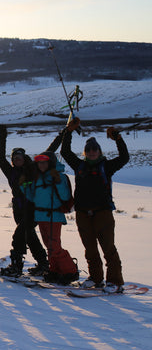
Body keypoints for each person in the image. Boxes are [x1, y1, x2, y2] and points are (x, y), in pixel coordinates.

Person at [61, 118, 129, 293]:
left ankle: (115, 281)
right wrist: (68, 132)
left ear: (99, 151)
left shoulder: (106, 166)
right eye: (89, 150)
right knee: (90, 249)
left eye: (95, 149)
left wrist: (118, 139)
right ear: (85, 152)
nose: (92, 152)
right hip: (83, 213)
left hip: (103, 213)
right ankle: (96, 278)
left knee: (108, 249)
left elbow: (124, 157)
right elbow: (65, 151)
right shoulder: (79, 166)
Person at [0, 125, 66, 276]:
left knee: (19, 236)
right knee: (29, 236)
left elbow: (50, 151)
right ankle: (43, 264)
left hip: (33, 208)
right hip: (18, 209)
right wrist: (2, 137)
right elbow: (1, 158)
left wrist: (62, 135)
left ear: (24, 158)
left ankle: (17, 265)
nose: (17, 160)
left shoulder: (33, 168)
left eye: (19, 157)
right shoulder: (11, 172)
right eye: (14, 158)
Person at [21, 150, 78, 285]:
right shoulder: (38, 177)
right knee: (49, 246)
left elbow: (65, 197)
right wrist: (24, 186)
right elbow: (32, 197)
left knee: (55, 246)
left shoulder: (60, 176)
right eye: (39, 163)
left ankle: (70, 271)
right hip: (41, 216)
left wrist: (57, 181)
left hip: (54, 215)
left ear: (50, 162)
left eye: (44, 162)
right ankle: (55, 271)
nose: (41, 165)